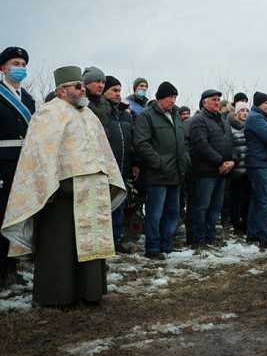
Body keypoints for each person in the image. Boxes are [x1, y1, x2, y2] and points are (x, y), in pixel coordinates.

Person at [1, 66, 125, 307]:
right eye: (77, 86)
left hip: (92, 188)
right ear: (62, 90)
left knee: (91, 246)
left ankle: (89, 293)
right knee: (61, 244)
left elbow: (102, 150)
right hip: (62, 191)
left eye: (82, 85)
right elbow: (40, 154)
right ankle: (57, 296)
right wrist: (52, 184)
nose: (82, 90)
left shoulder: (88, 114)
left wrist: (107, 176)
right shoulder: (49, 113)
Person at [134, 81, 187, 259]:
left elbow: (183, 142)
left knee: (173, 213)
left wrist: (185, 162)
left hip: (176, 174)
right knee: (155, 214)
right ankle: (153, 248)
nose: (173, 101)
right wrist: (159, 163)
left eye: (174, 97)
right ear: (160, 98)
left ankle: (167, 245)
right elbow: (142, 143)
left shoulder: (176, 116)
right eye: (169, 97)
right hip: (157, 175)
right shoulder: (147, 116)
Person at [0, 47, 35, 288]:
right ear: (3, 67)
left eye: (23, 63)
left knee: (17, 217)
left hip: (23, 165)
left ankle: (11, 268)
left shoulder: (30, 100)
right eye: (15, 62)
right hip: (3, 165)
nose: (20, 67)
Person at [189, 89, 234, 251]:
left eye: (218, 99)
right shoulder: (198, 120)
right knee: (202, 207)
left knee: (215, 208)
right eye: (214, 99)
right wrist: (221, 161)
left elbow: (230, 142)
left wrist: (232, 161)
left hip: (222, 172)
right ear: (204, 102)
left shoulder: (222, 120)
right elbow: (202, 145)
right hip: (205, 172)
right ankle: (198, 240)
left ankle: (210, 236)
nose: (217, 102)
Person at [103, 75, 135, 254]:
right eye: (114, 90)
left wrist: (134, 163)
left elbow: (131, 141)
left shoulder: (124, 114)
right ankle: (105, 244)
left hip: (122, 168)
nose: (118, 94)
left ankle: (116, 240)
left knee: (118, 206)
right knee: (104, 208)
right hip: (105, 169)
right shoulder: (100, 112)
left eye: (119, 90)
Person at [245, 91, 267, 249]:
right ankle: (265, 237)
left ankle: (253, 233)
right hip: (260, 163)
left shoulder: (256, 117)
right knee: (266, 201)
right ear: (260, 103)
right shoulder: (257, 118)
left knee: (257, 200)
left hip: (258, 162)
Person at [229, 101, 250, 235]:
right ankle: (236, 226)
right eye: (242, 111)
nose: (244, 113)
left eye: (247, 111)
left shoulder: (250, 127)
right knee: (235, 200)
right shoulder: (230, 127)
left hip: (248, 169)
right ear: (236, 113)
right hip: (235, 170)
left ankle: (246, 224)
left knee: (247, 200)